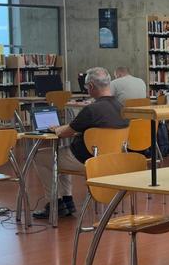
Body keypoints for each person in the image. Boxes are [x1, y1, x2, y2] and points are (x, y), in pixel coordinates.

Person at [38, 66, 128, 218]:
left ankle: (54, 203)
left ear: (91, 86)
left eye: (86, 87)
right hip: (113, 160)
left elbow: (65, 132)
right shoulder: (122, 107)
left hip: (86, 160)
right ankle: (67, 200)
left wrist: (57, 129)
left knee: (42, 157)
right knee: (61, 154)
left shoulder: (91, 109)